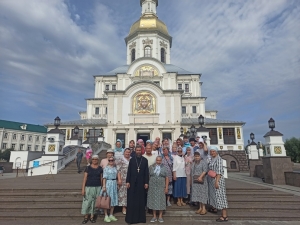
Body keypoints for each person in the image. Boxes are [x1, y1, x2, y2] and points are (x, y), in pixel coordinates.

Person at [125, 145, 149, 224]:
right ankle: (131, 219)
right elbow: (129, 171)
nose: (138, 152)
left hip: (141, 182)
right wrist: (127, 181)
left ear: (141, 151)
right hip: (132, 182)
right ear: (135, 151)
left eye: (139, 150)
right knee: (132, 200)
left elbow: (146, 172)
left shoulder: (145, 160)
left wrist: (146, 182)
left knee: (141, 200)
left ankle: (140, 218)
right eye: (137, 150)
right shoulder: (132, 160)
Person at [208, 146, 229, 222]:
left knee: (221, 197)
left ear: (216, 152)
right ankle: (215, 208)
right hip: (212, 180)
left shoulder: (219, 159)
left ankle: (224, 216)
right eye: (211, 151)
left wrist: (217, 181)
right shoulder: (212, 159)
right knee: (214, 195)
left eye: (213, 151)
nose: (212, 153)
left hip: (218, 180)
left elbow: (219, 171)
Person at [81, 155, 103, 224]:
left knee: (94, 202)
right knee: (87, 202)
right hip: (89, 186)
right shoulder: (88, 168)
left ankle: (92, 216)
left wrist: (102, 187)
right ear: (91, 160)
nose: (94, 160)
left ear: (98, 160)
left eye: (96, 159)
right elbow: (85, 179)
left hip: (98, 187)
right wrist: (83, 189)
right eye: (93, 159)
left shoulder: (100, 168)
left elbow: (101, 178)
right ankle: (86, 216)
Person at [147, 156, 169, 223]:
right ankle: (154, 216)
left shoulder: (164, 168)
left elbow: (167, 178)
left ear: (161, 161)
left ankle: (160, 216)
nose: (158, 162)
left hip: (161, 186)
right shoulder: (151, 167)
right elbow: (148, 176)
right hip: (152, 186)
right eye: (157, 160)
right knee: (153, 200)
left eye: (159, 160)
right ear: (155, 160)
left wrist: (166, 187)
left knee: (161, 200)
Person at [101, 156, 119, 223]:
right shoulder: (106, 168)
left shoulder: (115, 168)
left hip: (114, 184)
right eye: (110, 160)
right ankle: (106, 215)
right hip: (108, 183)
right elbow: (104, 178)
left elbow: (117, 176)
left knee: (113, 199)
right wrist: (104, 186)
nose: (111, 161)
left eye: (112, 160)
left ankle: (111, 214)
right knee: (106, 199)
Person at [116, 148, 131, 215]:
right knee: (123, 194)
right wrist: (119, 179)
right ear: (124, 152)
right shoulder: (120, 160)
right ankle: (123, 207)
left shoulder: (132, 159)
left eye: (128, 152)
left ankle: (129, 207)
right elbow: (118, 170)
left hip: (130, 179)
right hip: (123, 178)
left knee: (129, 193)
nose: (127, 153)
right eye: (126, 152)